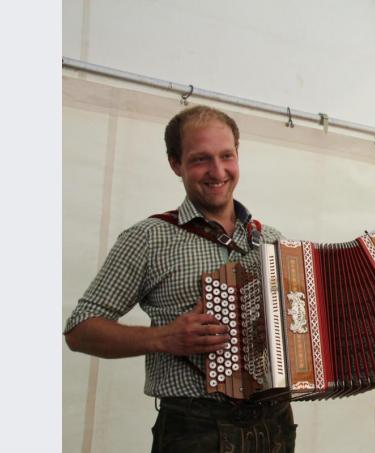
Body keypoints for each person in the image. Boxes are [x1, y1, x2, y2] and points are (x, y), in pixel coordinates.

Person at [64, 105, 296, 453]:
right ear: (175, 163)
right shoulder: (148, 238)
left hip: (276, 426)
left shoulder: (274, 241)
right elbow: (80, 330)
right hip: (195, 430)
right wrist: (164, 338)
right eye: (201, 159)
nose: (217, 171)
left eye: (226, 156)